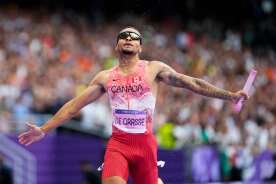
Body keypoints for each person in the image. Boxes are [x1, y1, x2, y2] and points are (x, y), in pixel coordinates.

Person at [18, 27, 248, 184]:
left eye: (134, 37)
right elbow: (72, 107)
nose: (128, 38)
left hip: (145, 145)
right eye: (124, 36)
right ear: (117, 46)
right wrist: (44, 129)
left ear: (139, 47)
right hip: (119, 144)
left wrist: (229, 95)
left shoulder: (153, 69)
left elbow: (192, 83)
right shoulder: (105, 78)